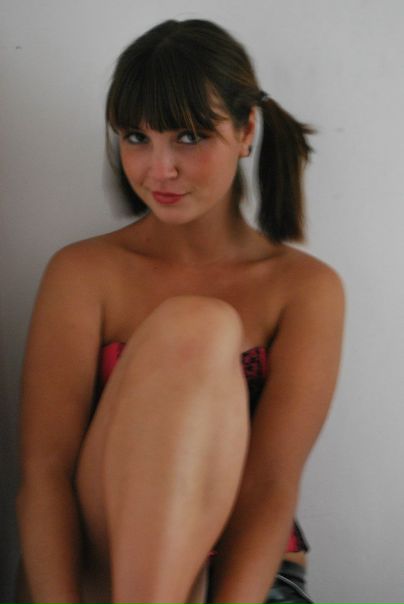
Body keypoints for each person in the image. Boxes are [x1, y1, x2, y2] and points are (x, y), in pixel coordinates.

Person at [14, 18, 345, 604]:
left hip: (247, 579)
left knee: (201, 325)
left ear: (246, 130)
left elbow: (270, 486)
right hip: (97, 573)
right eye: (136, 137)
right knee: (196, 326)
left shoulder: (305, 288)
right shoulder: (83, 273)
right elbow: (46, 475)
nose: (159, 168)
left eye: (189, 136)